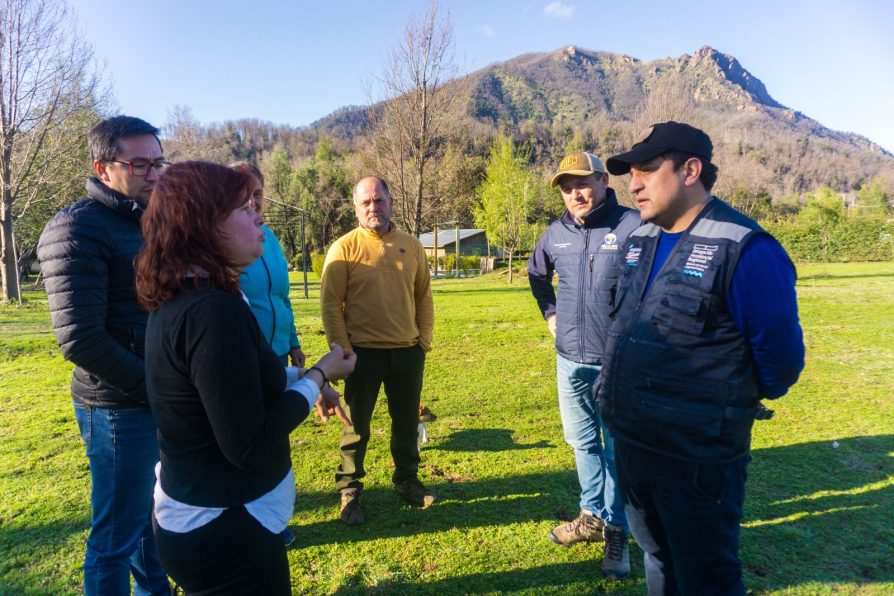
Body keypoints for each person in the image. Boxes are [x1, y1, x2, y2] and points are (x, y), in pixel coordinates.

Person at [598, 121, 805, 594]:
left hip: (694, 461)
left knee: (706, 579)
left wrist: (718, 406)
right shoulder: (641, 240)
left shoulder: (746, 248)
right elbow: (622, 325)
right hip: (632, 443)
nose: (634, 184)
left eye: (648, 169)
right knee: (658, 559)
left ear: (690, 170)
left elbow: (781, 361)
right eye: (631, 173)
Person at [136, 161, 356, 594]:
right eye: (242, 207)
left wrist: (299, 376)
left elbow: (235, 377)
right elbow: (249, 444)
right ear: (202, 226)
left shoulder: (196, 296)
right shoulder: (212, 312)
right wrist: (316, 376)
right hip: (225, 531)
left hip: (212, 521)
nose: (258, 214)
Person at [37, 116, 171, 595]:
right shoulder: (75, 229)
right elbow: (80, 338)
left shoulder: (147, 221)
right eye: (140, 163)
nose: (154, 173)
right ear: (102, 166)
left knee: (152, 520)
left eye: (159, 161)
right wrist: (155, 386)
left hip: (154, 397)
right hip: (115, 407)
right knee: (116, 535)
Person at [527, 151, 640, 579]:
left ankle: (616, 530)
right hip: (569, 361)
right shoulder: (555, 233)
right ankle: (590, 516)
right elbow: (536, 276)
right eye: (567, 185)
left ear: (603, 182)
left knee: (615, 448)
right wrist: (550, 316)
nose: (577, 191)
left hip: (617, 362)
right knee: (581, 442)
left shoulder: (632, 226)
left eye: (585, 181)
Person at [321, 176, 435, 525]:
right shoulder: (344, 247)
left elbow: (423, 297)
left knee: (405, 423)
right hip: (361, 356)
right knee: (357, 426)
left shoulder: (412, 245)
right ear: (355, 207)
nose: (373, 207)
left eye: (378, 200)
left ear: (390, 201)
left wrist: (423, 343)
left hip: (407, 353)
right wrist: (343, 352)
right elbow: (330, 305)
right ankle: (350, 490)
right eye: (365, 202)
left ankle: (407, 481)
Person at [229, 161, 306, 368]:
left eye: (257, 193)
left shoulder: (270, 238)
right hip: (244, 356)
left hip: (279, 354)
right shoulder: (223, 241)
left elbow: (282, 298)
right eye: (243, 194)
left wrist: (293, 343)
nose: (252, 201)